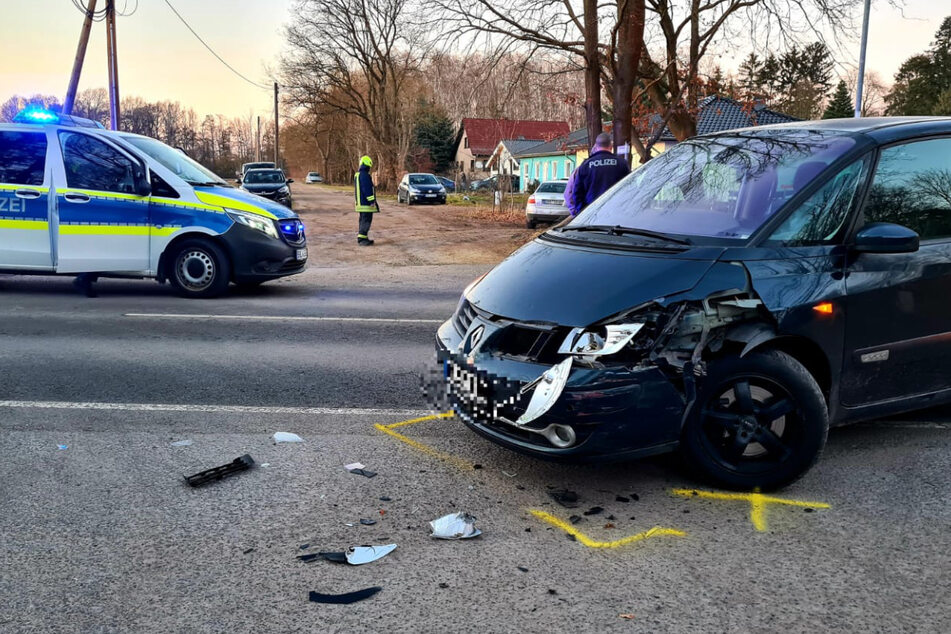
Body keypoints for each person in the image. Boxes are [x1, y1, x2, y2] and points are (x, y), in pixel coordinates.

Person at [567, 132, 630, 216]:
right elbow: (629, 188)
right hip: (616, 211)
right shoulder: (621, 163)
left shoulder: (585, 165)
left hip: (591, 213)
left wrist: (581, 213)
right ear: (611, 146)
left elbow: (577, 192)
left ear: (596, 147)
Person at [353, 155, 379, 246]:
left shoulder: (358, 175)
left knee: (363, 220)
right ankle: (362, 239)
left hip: (360, 203)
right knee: (366, 220)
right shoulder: (364, 176)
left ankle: (363, 238)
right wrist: (372, 201)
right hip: (366, 204)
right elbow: (367, 189)